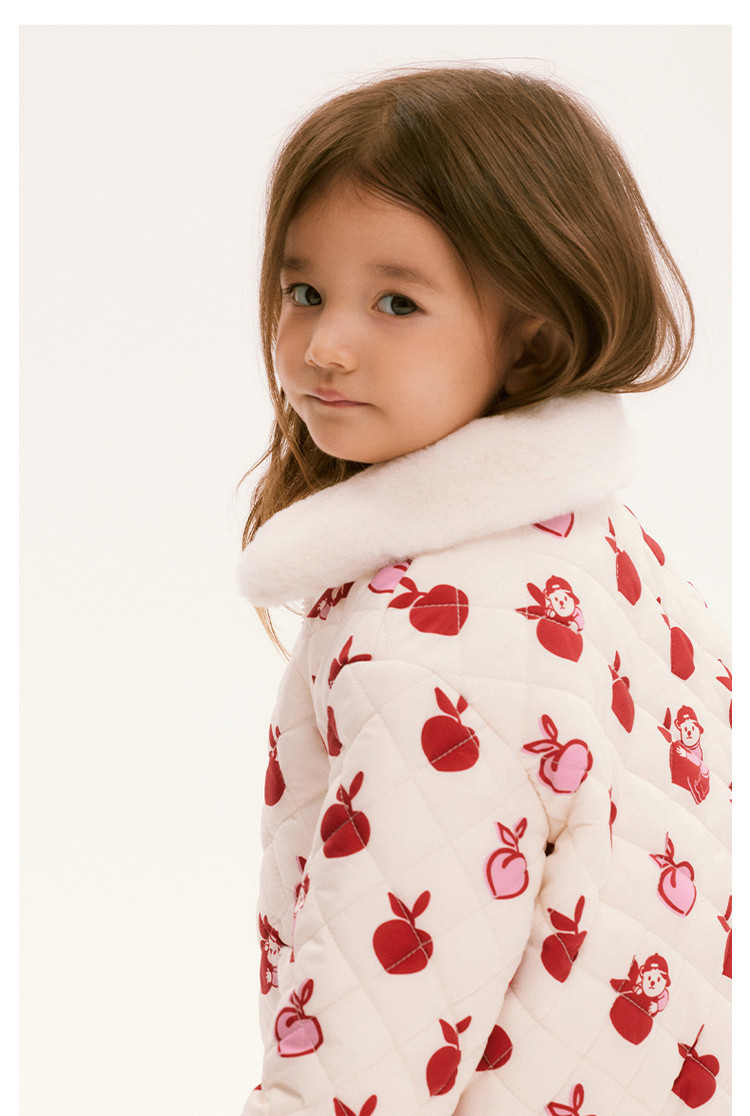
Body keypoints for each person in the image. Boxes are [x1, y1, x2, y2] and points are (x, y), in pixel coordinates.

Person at [236, 66, 731, 1115]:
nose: (323, 347)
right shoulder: (611, 551)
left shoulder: (426, 639)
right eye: (303, 291)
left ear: (531, 339)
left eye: (397, 303)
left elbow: (375, 1033)